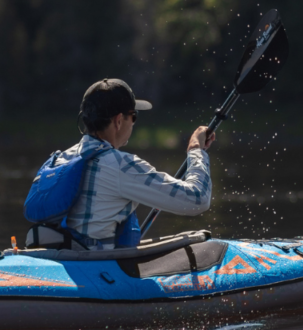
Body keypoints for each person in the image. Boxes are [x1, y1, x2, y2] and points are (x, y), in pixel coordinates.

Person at [44, 78, 216, 250]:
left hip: (59, 258)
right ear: (119, 121)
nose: (134, 123)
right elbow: (197, 199)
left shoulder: (60, 159)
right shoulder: (121, 166)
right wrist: (195, 149)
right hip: (95, 266)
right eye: (134, 116)